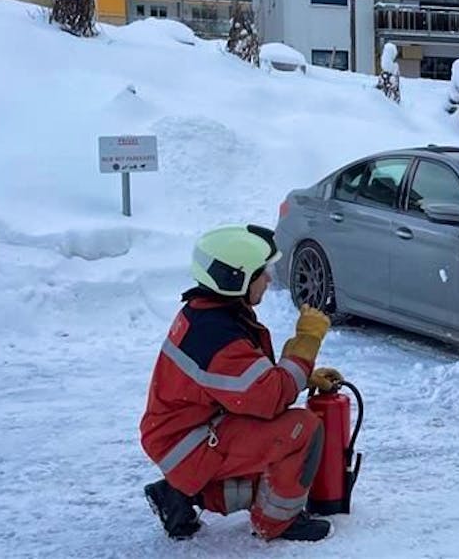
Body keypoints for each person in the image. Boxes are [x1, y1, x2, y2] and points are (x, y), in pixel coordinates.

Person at [140, 224, 343, 542]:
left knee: (267, 464)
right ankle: (276, 522)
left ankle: (177, 495)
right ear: (237, 279)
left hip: (185, 434)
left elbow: (247, 387)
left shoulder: (211, 314)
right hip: (187, 442)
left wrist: (302, 378)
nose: (269, 279)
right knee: (301, 428)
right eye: (263, 273)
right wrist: (306, 341)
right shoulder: (219, 336)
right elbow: (271, 397)